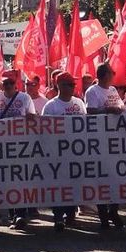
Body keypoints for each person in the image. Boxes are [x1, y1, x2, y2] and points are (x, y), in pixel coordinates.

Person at [41, 72, 87, 231]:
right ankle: (59, 216)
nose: (73, 87)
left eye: (73, 84)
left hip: (76, 152)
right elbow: (44, 130)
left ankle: (71, 215)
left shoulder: (79, 103)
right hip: (57, 153)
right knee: (58, 186)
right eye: (69, 84)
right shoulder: (51, 106)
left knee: (74, 184)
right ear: (59, 86)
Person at [0, 73, 36, 229]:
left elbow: (32, 116)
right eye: (5, 83)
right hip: (2, 146)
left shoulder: (24, 98)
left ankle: (21, 214)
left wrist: (31, 118)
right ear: (1, 84)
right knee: (6, 180)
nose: (8, 85)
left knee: (20, 179)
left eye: (11, 82)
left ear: (15, 83)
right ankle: (11, 214)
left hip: (21, 146)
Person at [85, 63, 126, 230]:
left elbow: (121, 107)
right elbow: (91, 112)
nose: (114, 74)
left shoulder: (113, 91)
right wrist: (108, 110)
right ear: (105, 75)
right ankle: (103, 215)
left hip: (115, 140)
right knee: (101, 179)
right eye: (112, 72)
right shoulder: (92, 91)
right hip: (100, 141)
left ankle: (114, 211)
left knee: (116, 178)